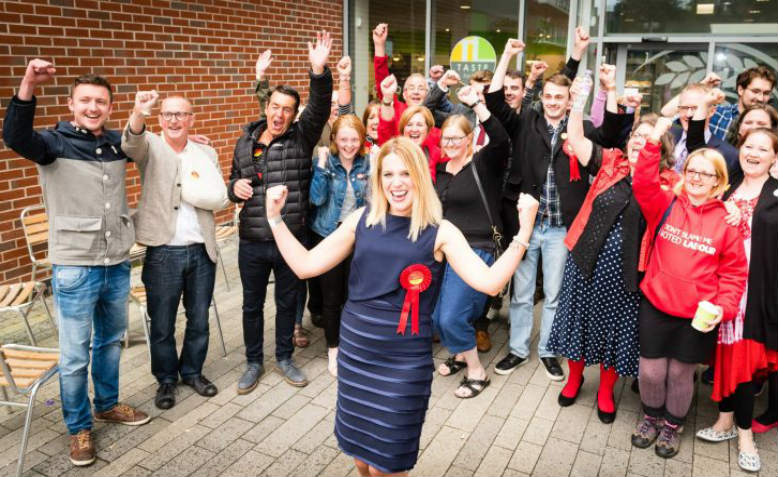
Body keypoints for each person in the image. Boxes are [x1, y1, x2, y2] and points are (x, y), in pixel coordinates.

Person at [264, 135, 539, 476]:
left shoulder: (441, 231)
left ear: (420, 177)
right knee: (361, 458)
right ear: (378, 180)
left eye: (405, 173)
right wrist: (275, 219)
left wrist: (523, 232)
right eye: (388, 174)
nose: (397, 183)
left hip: (403, 363)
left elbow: (490, 282)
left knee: (387, 465)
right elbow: (306, 265)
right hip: (357, 354)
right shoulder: (361, 220)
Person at [3, 59, 150, 467]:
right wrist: (29, 81)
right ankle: (79, 427)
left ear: (109, 106)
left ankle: (106, 404)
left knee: (108, 342)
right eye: (85, 100)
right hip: (74, 267)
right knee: (73, 355)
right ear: (71, 104)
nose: (93, 107)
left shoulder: (117, 142)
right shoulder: (52, 143)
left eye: (100, 101)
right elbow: (13, 135)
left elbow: (143, 146)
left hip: (117, 261)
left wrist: (192, 143)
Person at [485, 34, 629, 380]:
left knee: (553, 294)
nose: (551, 101)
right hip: (526, 226)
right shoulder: (526, 123)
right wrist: (505, 56)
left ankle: (549, 351)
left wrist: (608, 89)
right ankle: (518, 350)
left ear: (569, 101)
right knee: (520, 293)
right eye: (547, 96)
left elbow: (612, 133)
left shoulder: (582, 129)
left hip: (562, 226)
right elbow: (493, 100)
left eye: (558, 97)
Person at [548, 68, 679, 423]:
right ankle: (574, 380)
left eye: (647, 137)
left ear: (659, 146)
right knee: (579, 322)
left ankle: (606, 391)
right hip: (585, 260)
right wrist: (578, 101)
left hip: (628, 272)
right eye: (636, 134)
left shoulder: (668, 182)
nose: (638, 141)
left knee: (614, 330)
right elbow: (575, 139)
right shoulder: (612, 163)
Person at [630, 117, 748, 459]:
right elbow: (643, 180)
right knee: (651, 371)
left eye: (705, 173)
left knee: (681, 374)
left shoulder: (726, 222)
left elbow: (734, 275)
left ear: (718, 182)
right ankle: (650, 417)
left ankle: (672, 425)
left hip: (697, 315)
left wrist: (723, 310)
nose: (696, 178)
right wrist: (654, 138)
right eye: (692, 170)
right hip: (656, 304)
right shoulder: (665, 203)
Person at [228, 31, 333, 393]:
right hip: (252, 240)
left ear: (293, 114)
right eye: (275, 106)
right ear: (266, 106)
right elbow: (233, 182)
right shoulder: (245, 140)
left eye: (288, 109)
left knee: (288, 302)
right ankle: (254, 362)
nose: (280, 113)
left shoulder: (301, 138)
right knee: (251, 306)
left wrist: (318, 71)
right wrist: (233, 189)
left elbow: (320, 106)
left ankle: (285, 358)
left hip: (291, 238)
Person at [122, 90, 229, 409]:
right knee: (163, 322)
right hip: (163, 251)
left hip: (201, 250)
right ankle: (166, 380)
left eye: (181, 114)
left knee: (199, 318)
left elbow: (217, 193)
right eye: (168, 114)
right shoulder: (150, 147)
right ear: (160, 119)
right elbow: (131, 144)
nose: (174, 120)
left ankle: (193, 372)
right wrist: (139, 112)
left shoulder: (204, 152)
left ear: (191, 118)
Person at [692, 127, 777, 472]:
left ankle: (745, 435)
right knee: (724, 360)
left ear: (774, 157)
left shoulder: (775, 193)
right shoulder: (728, 187)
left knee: (741, 364)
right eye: (749, 146)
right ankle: (726, 421)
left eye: (763, 148)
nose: (753, 152)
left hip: (754, 296)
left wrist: (749, 221)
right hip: (722, 290)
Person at [432, 87, 510, 398]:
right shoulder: (440, 171)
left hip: (479, 248)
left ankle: (477, 370)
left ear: (469, 139)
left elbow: (502, 140)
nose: (450, 143)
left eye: (456, 138)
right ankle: (462, 354)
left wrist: (478, 104)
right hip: (447, 251)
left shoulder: (483, 164)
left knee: (451, 316)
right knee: (440, 317)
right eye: (445, 138)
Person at [310, 114, 371, 377]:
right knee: (332, 297)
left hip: (358, 235)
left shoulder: (367, 162)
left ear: (361, 139)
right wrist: (323, 167)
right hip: (328, 234)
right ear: (334, 139)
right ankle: (334, 349)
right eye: (344, 139)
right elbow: (316, 198)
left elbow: (375, 199)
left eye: (354, 139)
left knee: (355, 295)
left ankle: (353, 344)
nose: (349, 145)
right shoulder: (325, 161)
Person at [661, 67, 776, 139]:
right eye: (755, 91)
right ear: (740, 90)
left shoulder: (772, 122)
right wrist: (702, 85)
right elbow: (667, 112)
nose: (761, 98)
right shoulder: (716, 114)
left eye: (766, 93)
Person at [663, 83, 739, 172]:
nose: (689, 114)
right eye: (684, 108)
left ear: (711, 112)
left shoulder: (727, 154)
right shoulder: (666, 136)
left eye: (696, 108)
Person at [377, 103, 444, 181]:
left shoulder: (435, 153)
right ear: (403, 129)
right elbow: (385, 129)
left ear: (428, 129)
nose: (414, 129)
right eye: (409, 125)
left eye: (419, 125)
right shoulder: (393, 151)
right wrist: (387, 100)